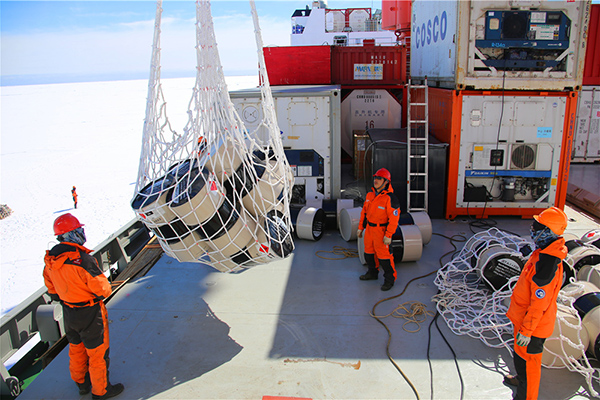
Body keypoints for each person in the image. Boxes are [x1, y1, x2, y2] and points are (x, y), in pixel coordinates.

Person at [43, 213, 124, 400]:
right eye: (79, 230)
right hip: (90, 313)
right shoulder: (83, 260)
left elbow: (52, 289)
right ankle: (101, 391)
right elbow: (103, 289)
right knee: (97, 353)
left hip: (69, 312)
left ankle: (82, 384)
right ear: (73, 234)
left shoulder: (51, 259)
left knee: (76, 348)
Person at [504, 206, 568, 400]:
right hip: (522, 318)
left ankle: (527, 396)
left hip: (532, 326)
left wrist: (527, 330)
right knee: (519, 356)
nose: (532, 229)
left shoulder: (548, 265)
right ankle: (519, 378)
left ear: (549, 231)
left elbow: (539, 303)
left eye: (537, 226)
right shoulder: (544, 251)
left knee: (529, 364)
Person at [357, 168, 401, 291]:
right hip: (370, 230)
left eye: (379, 178)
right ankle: (372, 273)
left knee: (384, 257)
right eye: (375, 178)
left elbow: (394, 218)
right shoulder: (370, 195)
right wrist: (360, 228)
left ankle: (389, 280)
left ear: (386, 181)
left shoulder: (390, 198)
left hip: (381, 232)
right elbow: (364, 213)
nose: (376, 180)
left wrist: (389, 235)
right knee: (368, 254)